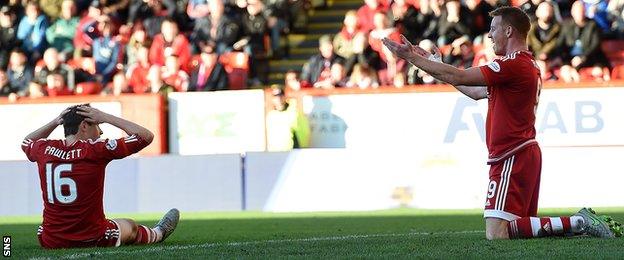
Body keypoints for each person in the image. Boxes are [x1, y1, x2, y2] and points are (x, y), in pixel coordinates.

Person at [382, 6, 622, 240]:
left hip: (512, 154)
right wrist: (436, 65)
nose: (489, 35)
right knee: (516, 229)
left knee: (497, 233)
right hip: (521, 152)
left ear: (508, 31)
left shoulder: (513, 65)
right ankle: (575, 226)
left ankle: (579, 222)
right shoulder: (523, 65)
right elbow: (473, 91)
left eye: (494, 28)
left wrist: (412, 58)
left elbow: (458, 75)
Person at [21, 104, 179, 249]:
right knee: (130, 226)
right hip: (91, 237)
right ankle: (159, 233)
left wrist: (56, 122)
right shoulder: (96, 149)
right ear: (84, 126)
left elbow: (26, 142)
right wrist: (106, 117)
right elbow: (145, 136)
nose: (101, 131)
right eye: (97, 125)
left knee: (46, 227)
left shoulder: (44, 148)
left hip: (50, 239)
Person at [265, 87, 310, 151]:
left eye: (280, 95)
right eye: (275, 96)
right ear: (272, 99)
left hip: (292, 152)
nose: (278, 98)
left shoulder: (293, 111)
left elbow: (302, 131)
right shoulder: (271, 115)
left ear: (284, 97)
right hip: (275, 152)